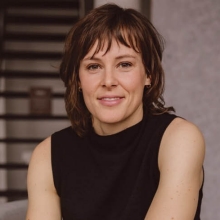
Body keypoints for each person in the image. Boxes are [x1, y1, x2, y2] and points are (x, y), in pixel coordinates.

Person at [26, 3, 205, 220]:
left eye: (125, 64)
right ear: (78, 80)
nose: (108, 81)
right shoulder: (48, 155)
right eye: (94, 66)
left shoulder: (179, 139)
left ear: (148, 74)